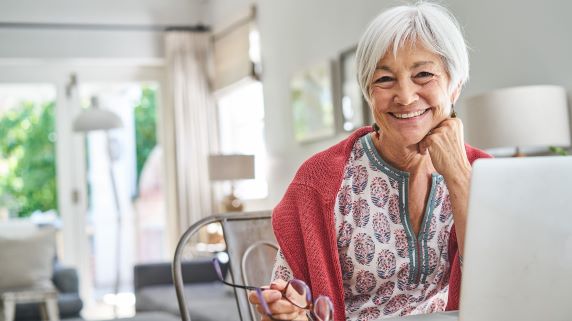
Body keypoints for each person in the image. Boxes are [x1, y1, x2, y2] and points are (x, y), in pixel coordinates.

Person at [249, 2, 492, 320]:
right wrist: (284, 313)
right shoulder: (321, 180)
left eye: (423, 75)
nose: (405, 96)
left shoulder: (486, 173)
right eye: (385, 79)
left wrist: (459, 175)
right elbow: (292, 306)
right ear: (368, 92)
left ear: (454, 86)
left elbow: (502, 285)